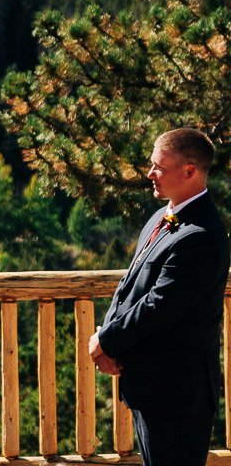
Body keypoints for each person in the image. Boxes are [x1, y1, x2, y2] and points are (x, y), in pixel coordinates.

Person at [89, 128, 229, 466]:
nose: (150, 174)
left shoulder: (203, 236)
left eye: (159, 168)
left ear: (190, 171)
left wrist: (106, 339)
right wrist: (107, 341)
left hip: (178, 393)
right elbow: (130, 284)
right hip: (151, 385)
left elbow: (159, 305)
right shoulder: (161, 216)